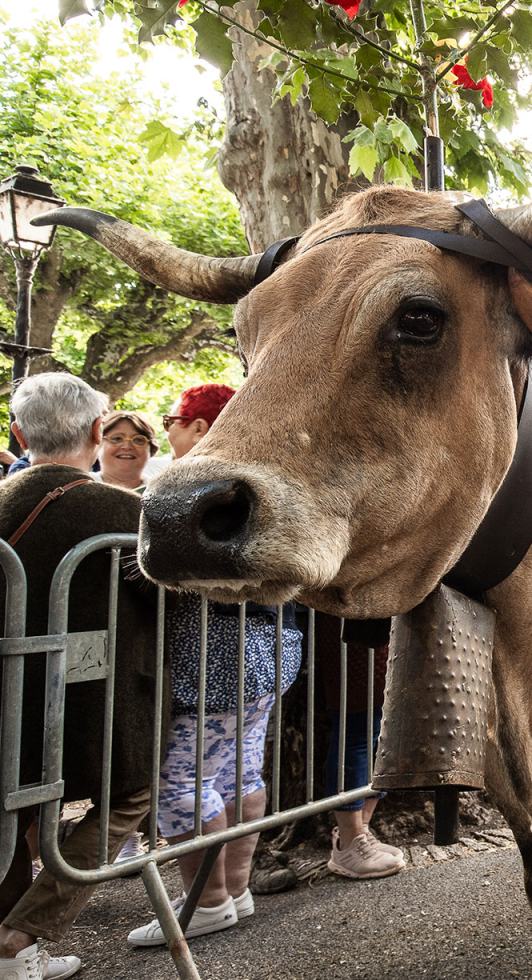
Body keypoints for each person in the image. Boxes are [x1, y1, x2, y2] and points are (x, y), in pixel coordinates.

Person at [0, 373, 165, 980]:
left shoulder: (3, 501)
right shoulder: (125, 512)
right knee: (129, 795)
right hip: (103, 701)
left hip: (11, 697)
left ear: (18, 434)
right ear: (98, 432)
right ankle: (20, 937)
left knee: (13, 812)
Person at [127, 382, 300, 947]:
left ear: (201, 428)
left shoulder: (200, 489)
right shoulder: (268, 481)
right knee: (239, 771)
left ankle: (208, 902)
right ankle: (234, 889)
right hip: (270, 651)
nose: (169, 429)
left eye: (173, 418)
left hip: (214, 659)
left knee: (180, 782)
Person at [315, 620, 405, 879]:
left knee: (382, 732)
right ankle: (349, 840)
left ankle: (360, 831)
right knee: (357, 730)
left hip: (382, 627)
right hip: (353, 628)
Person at [96, 411, 161, 492]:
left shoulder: (161, 492)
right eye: (117, 439)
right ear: (98, 444)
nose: (127, 447)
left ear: (151, 449)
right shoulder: (79, 486)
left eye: (138, 440)